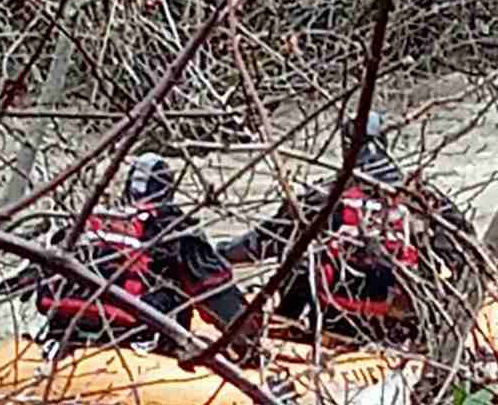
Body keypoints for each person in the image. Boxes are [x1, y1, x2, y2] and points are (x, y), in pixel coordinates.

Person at [220, 113, 468, 344]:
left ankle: (285, 324)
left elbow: (264, 243)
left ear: (346, 148)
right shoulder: (424, 200)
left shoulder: (323, 198)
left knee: (299, 252)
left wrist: (216, 256)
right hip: (404, 330)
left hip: (338, 325)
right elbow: (466, 255)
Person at [33, 153, 258, 363]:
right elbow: (215, 292)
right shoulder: (174, 228)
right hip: (140, 346)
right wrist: (249, 348)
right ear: (168, 191)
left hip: (65, 336)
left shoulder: (91, 222)